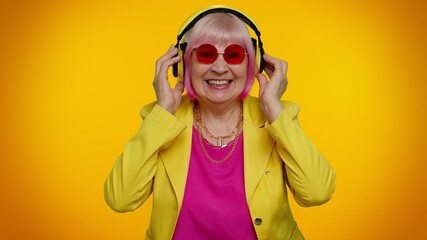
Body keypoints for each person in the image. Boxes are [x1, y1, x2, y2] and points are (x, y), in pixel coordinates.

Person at [104, 5, 336, 240]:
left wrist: (274, 107)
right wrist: (163, 111)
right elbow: (120, 199)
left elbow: (317, 193)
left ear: (252, 64)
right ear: (183, 64)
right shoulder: (161, 120)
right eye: (206, 54)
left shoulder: (277, 118)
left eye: (234, 55)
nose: (219, 67)